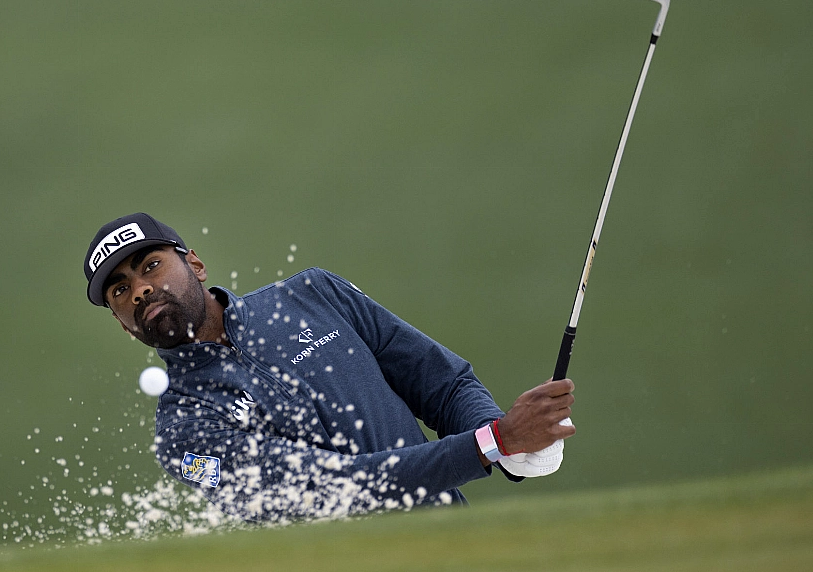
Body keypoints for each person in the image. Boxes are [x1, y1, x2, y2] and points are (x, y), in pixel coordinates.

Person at [84, 213, 576, 521]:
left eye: (150, 266)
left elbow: (440, 383)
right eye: (120, 291)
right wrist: (493, 443)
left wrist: (507, 442)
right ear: (125, 326)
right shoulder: (184, 429)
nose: (140, 289)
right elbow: (334, 488)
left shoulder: (311, 294)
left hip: (449, 546)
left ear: (195, 264)